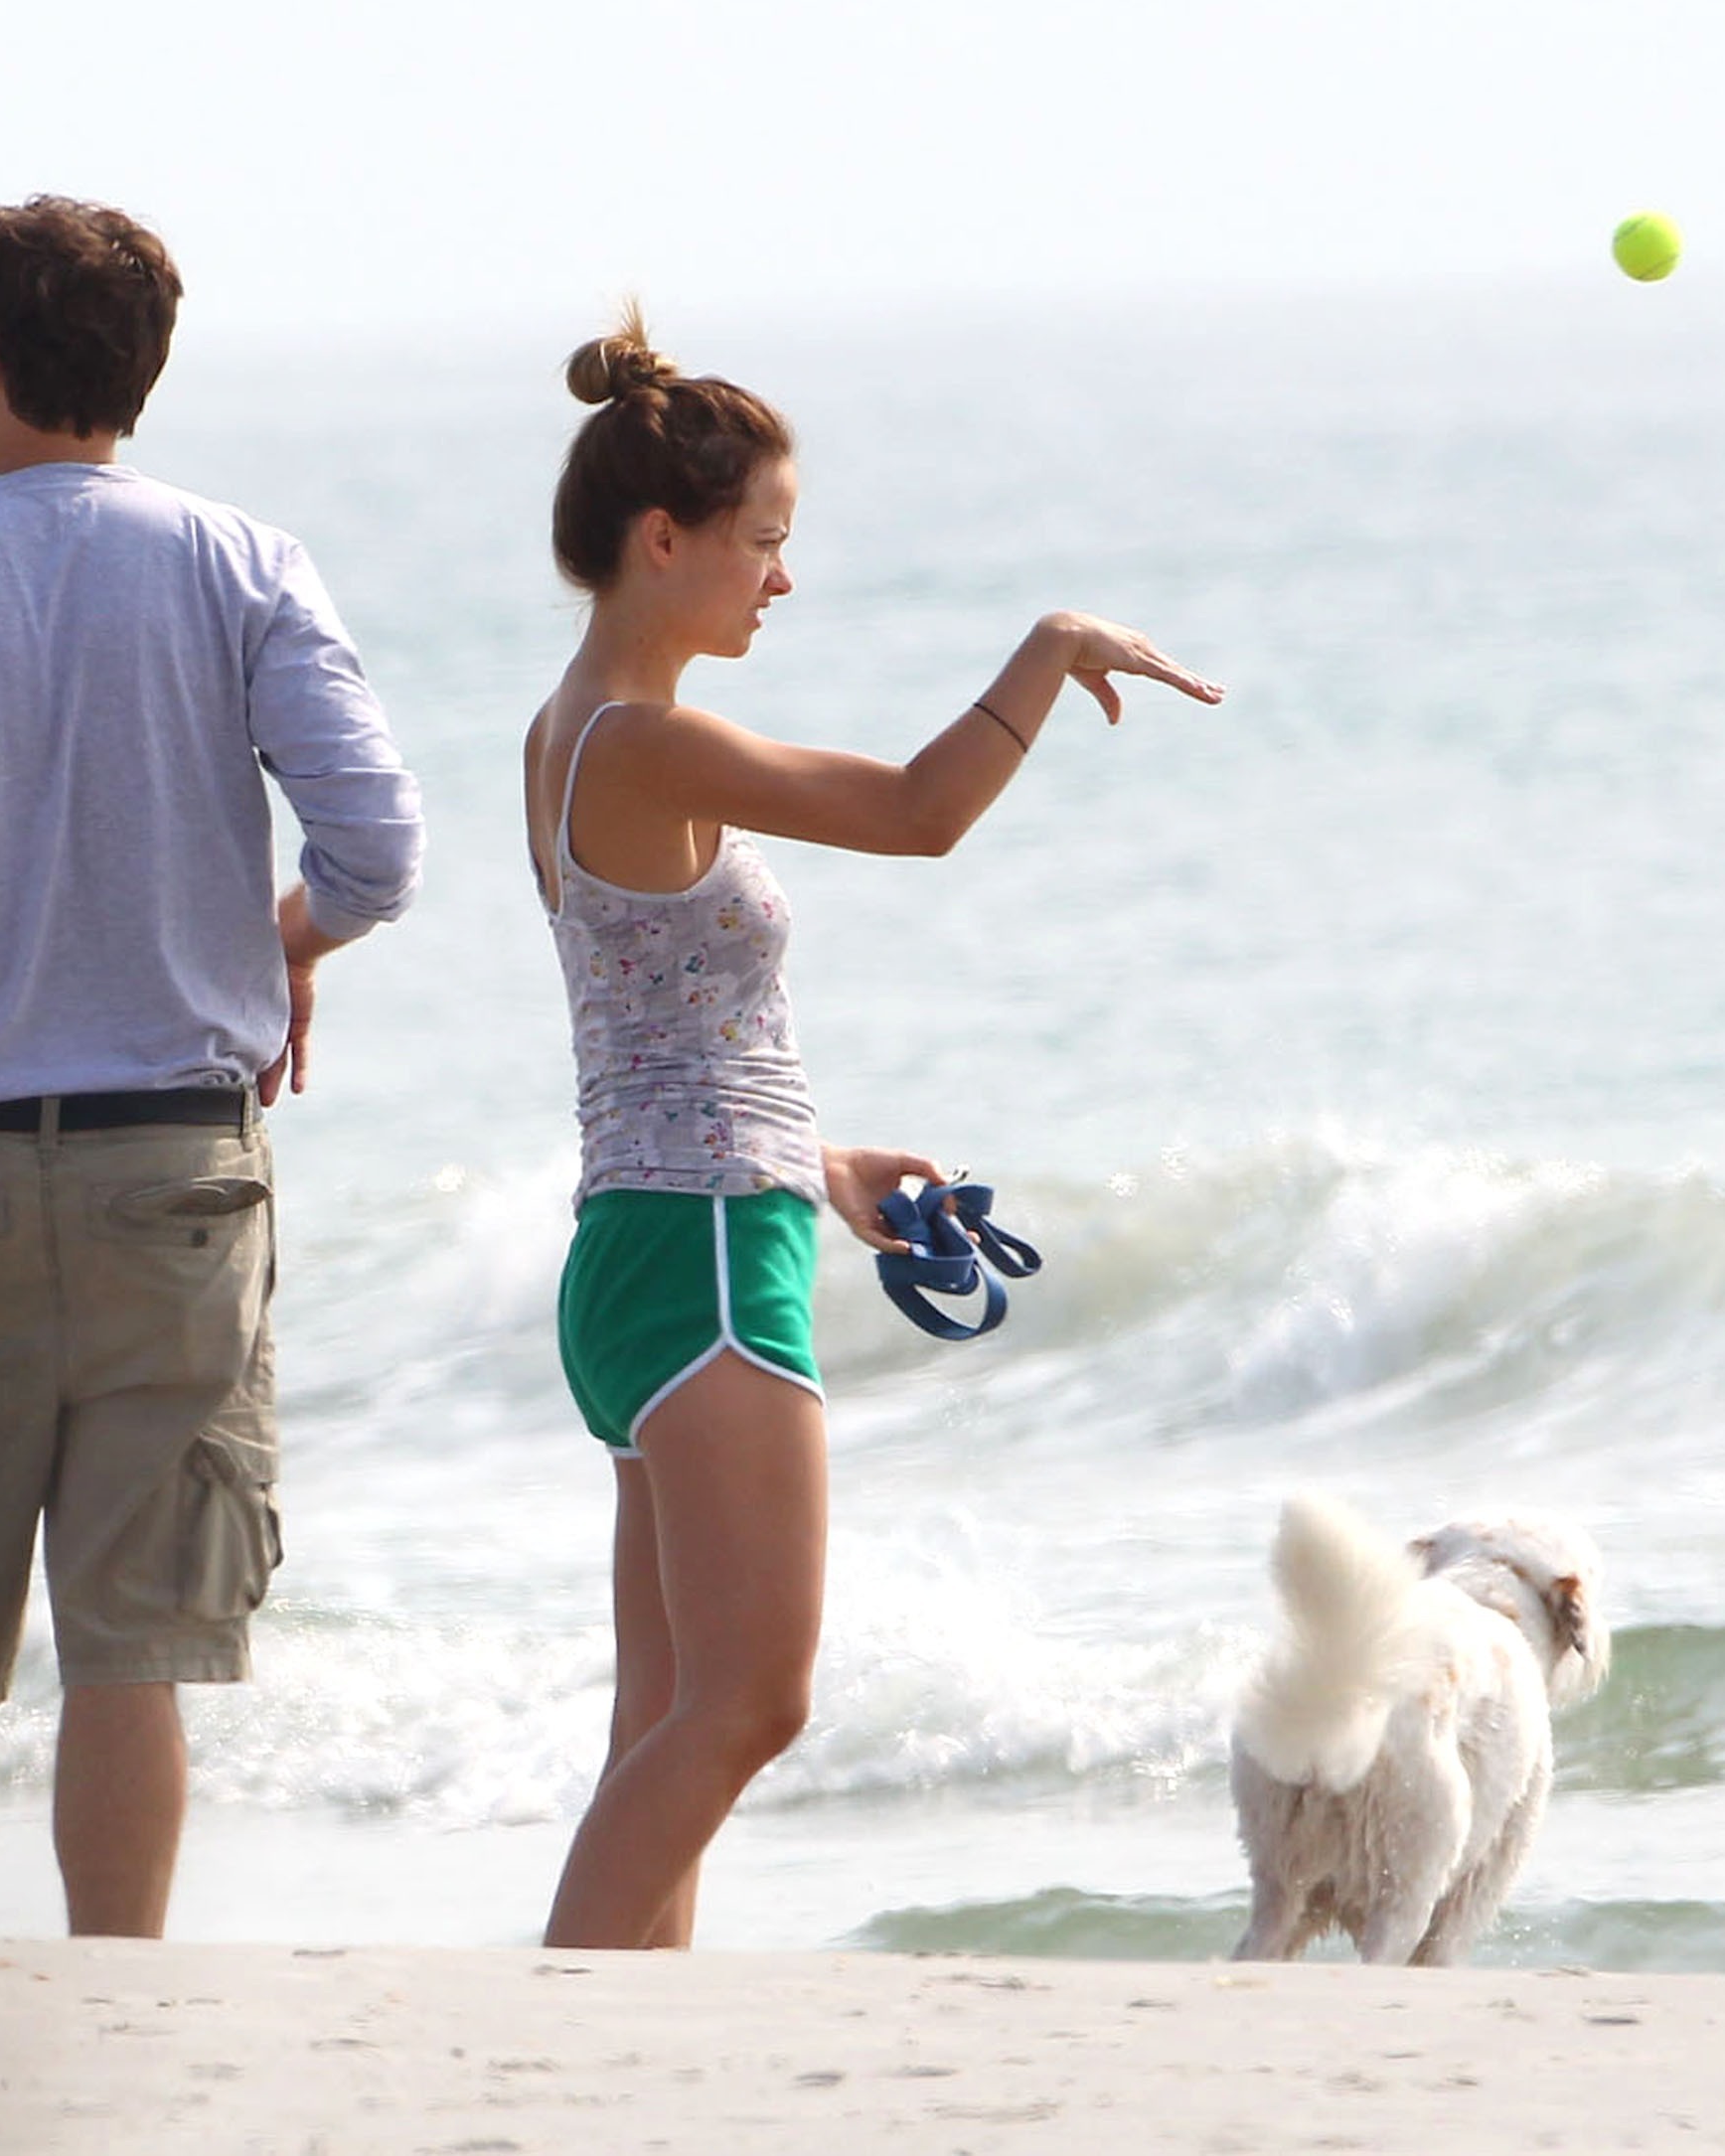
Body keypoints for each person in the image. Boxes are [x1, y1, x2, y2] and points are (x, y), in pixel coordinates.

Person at [0, 194, 423, 1939]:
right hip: (176, 1170)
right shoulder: (246, 563)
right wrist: (293, 944)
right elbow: (381, 845)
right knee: (134, 1655)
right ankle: (118, 2015)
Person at [524, 308, 1222, 1949]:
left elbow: (650, 1026)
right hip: (698, 1257)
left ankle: (618, 2059)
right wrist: (1049, 646)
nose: (781, 577)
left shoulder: (563, 732)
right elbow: (919, 813)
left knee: (672, 1719)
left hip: (650, 1241)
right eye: (763, 541)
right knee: (751, 1704)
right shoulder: (646, 737)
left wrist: (825, 1167)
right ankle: (547, 2027)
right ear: (663, 537)